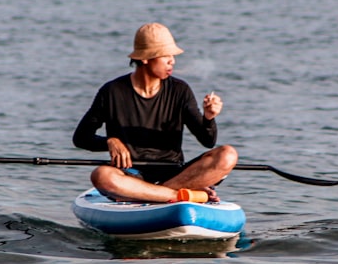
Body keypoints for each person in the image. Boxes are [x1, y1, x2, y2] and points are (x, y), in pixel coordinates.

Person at [72, 22, 238, 203]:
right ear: (145, 58)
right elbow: (81, 138)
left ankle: (155, 194)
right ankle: (177, 196)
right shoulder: (112, 91)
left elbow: (208, 141)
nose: (172, 61)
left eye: (172, 56)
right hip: (130, 175)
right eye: (165, 56)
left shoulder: (180, 90)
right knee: (101, 175)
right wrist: (110, 141)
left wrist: (209, 118)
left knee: (228, 154)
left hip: (175, 174)